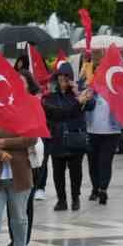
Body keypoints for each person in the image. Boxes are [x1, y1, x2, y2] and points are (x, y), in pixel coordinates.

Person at [42, 64, 90, 209]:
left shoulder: (78, 94)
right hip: (57, 139)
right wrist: (77, 103)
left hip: (75, 138)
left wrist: (77, 93)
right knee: (58, 172)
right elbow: (58, 113)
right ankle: (61, 199)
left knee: (76, 172)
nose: (62, 80)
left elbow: (90, 105)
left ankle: (76, 197)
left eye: (65, 77)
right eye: (60, 77)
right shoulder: (50, 97)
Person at [85, 87, 122, 205]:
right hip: (91, 131)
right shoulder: (90, 91)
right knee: (92, 163)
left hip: (111, 133)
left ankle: (103, 189)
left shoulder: (116, 91)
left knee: (105, 162)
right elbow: (82, 106)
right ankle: (95, 188)